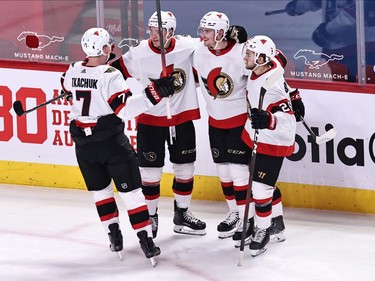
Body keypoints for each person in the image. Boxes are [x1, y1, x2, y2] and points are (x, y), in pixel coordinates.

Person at [60, 27, 175, 263]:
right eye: (109, 45)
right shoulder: (110, 74)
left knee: (101, 192)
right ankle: (146, 241)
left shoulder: (72, 70)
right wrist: (155, 93)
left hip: (84, 147)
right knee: (132, 194)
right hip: (111, 144)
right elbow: (124, 110)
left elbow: (66, 88)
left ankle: (113, 236)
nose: (111, 48)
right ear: (103, 48)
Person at [193, 11, 296, 245]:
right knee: (226, 174)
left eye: (208, 30)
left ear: (221, 32)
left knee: (249, 179)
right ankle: (240, 214)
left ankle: (249, 220)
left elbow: (274, 63)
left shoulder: (242, 51)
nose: (202, 35)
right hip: (215, 122)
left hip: (241, 123)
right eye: (202, 30)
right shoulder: (197, 49)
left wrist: (294, 96)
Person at [111, 11, 206, 237]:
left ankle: (181, 214)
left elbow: (213, 46)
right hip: (150, 121)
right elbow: (113, 72)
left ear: (171, 31)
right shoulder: (139, 53)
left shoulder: (188, 46)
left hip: (181, 118)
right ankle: (151, 216)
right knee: (150, 172)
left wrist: (233, 37)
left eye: (159, 30)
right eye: (151, 30)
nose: (154, 35)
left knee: (185, 169)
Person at [241, 35, 297, 256]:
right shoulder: (270, 64)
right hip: (256, 134)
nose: (245, 57)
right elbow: (280, 59)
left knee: (260, 188)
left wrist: (270, 120)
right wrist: (296, 93)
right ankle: (277, 224)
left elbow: (288, 118)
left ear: (262, 58)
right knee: (266, 184)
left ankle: (262, 231)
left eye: (249, 54)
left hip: (273, 140)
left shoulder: (272, 87)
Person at [284, 0, 375, 82]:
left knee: (358, 92)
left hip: (363, 51)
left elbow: (359, 13)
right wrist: (298, 6)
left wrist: (326, 30)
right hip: (335, 51)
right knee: (339, 93)